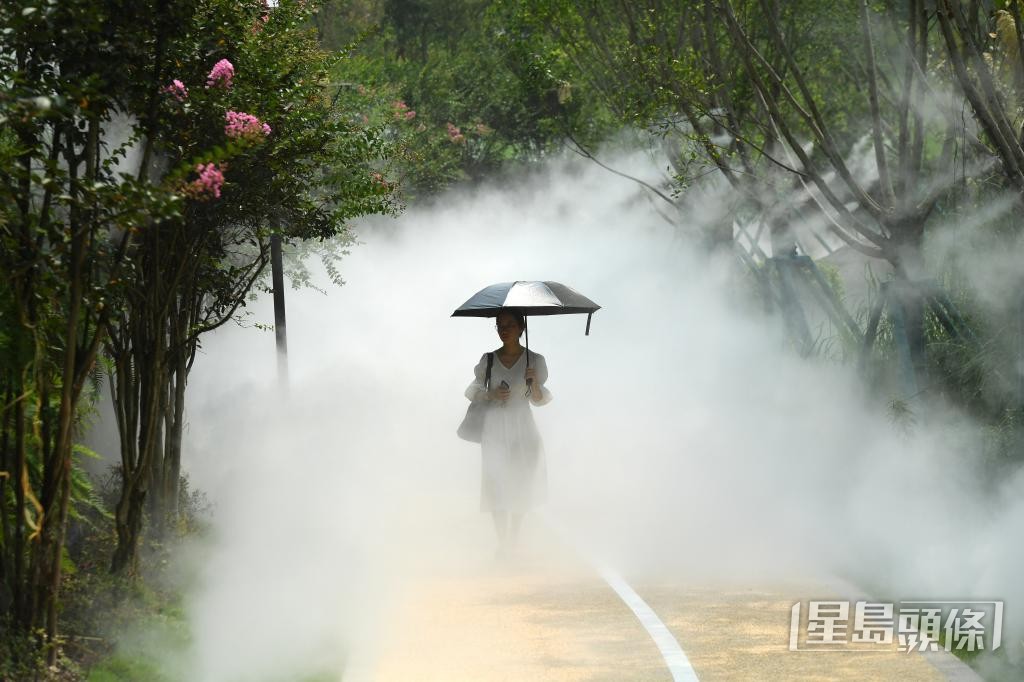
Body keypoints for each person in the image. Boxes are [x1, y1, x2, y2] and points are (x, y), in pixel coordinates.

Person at [464, 310, 551, 558]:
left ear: (521, 328)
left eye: (509, 325)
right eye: (500, 325)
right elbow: (472, 390)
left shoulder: (534, 361)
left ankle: (514, 538)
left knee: (521, 483)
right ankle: (503, 542)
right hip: (494, 428)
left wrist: (533, 381)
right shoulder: (488, 360)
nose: (504, 329)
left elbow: (539, 400)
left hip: (523, 428)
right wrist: (490, 395)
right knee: (496, 484)